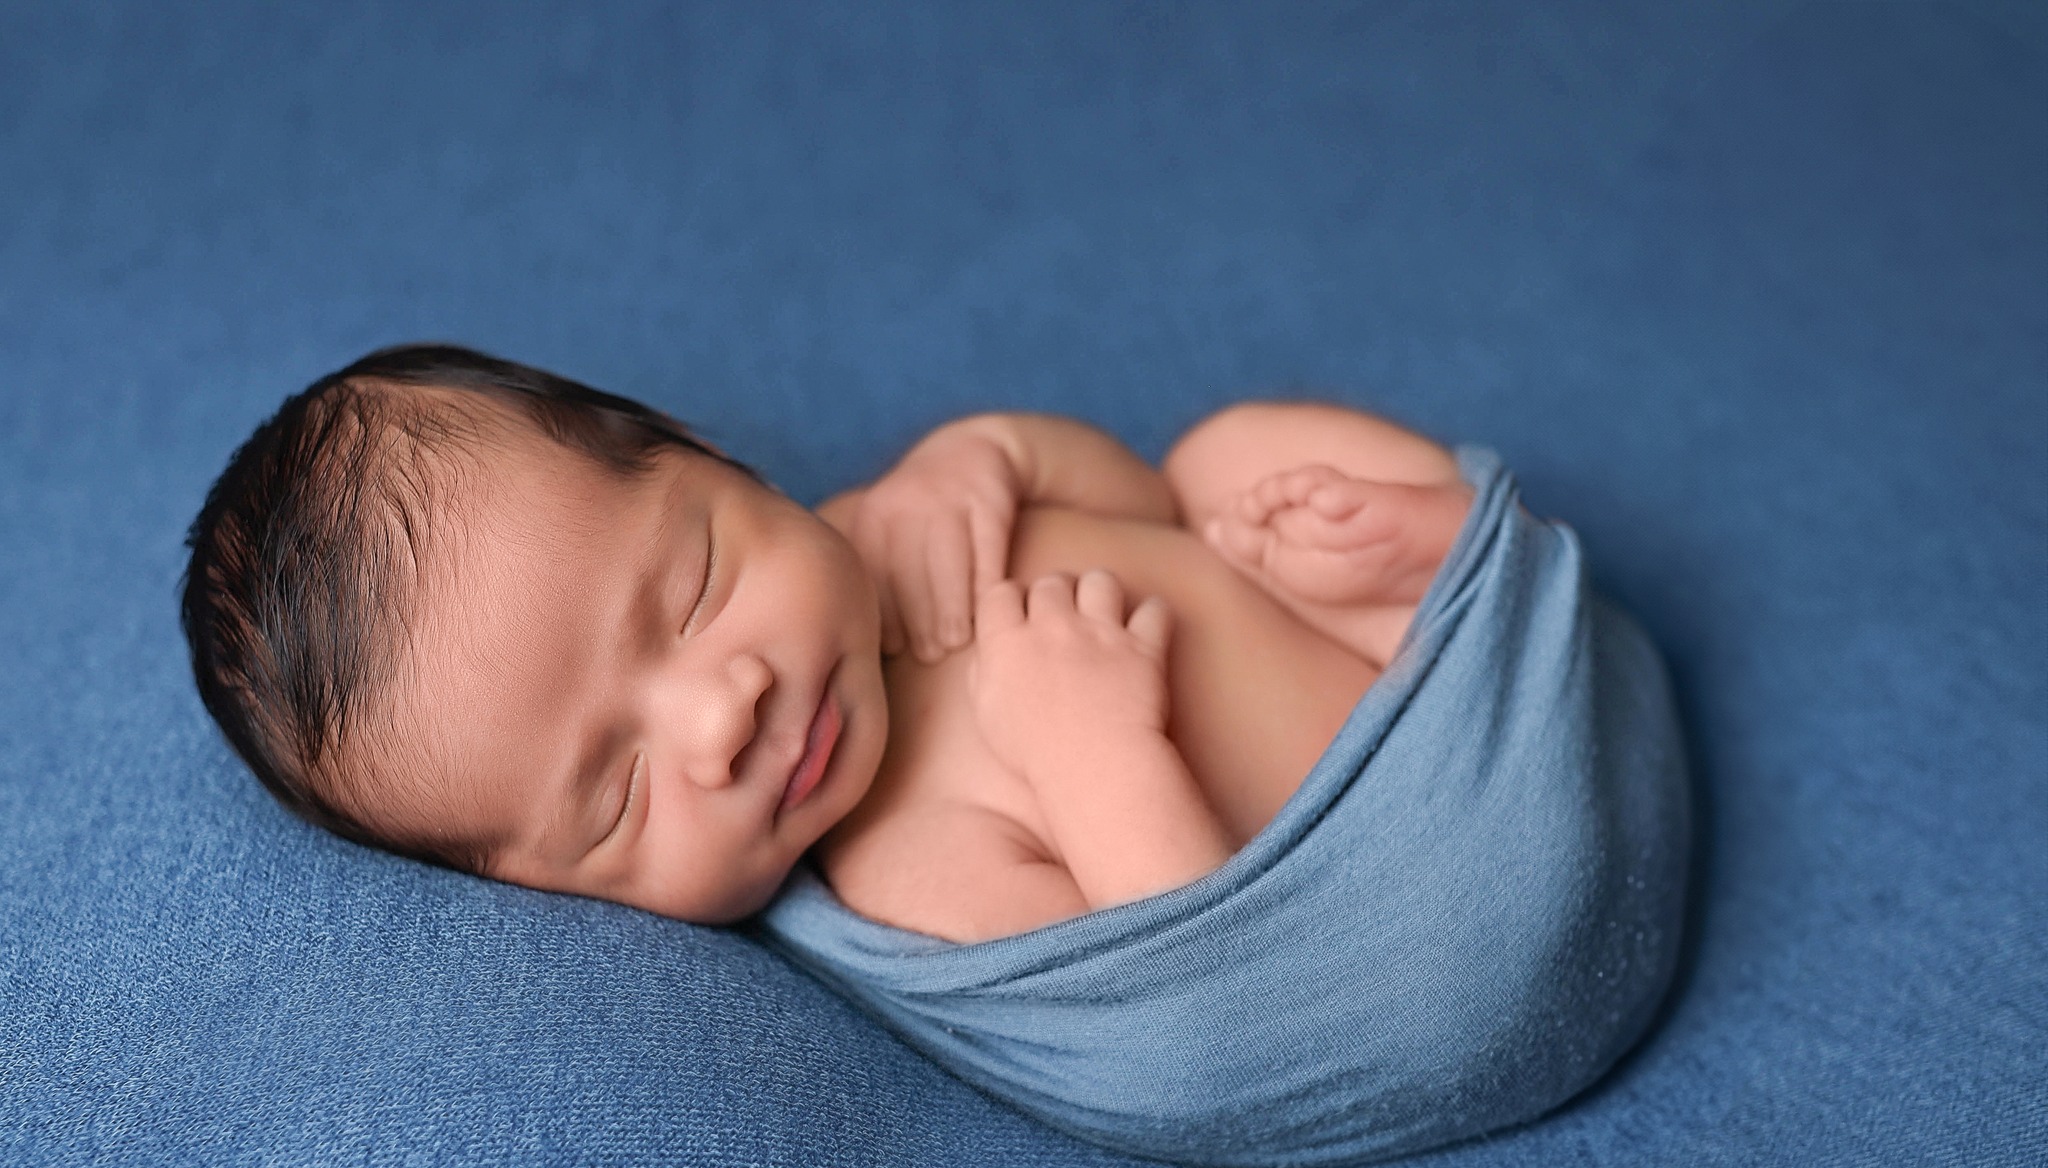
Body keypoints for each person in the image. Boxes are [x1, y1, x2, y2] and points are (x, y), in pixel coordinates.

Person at [182, 344, 1472, 942]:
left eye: (691, 588)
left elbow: (1137, 499)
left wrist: (985, 457)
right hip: (1401, 866)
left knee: (1228, 463)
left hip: (1403, 655)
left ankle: (1440, 564)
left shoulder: (889, 524)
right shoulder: (901, 865)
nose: (720, 718)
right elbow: (1196, 986)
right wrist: (1094, 755)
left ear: (711, 458)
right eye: (617, 799)